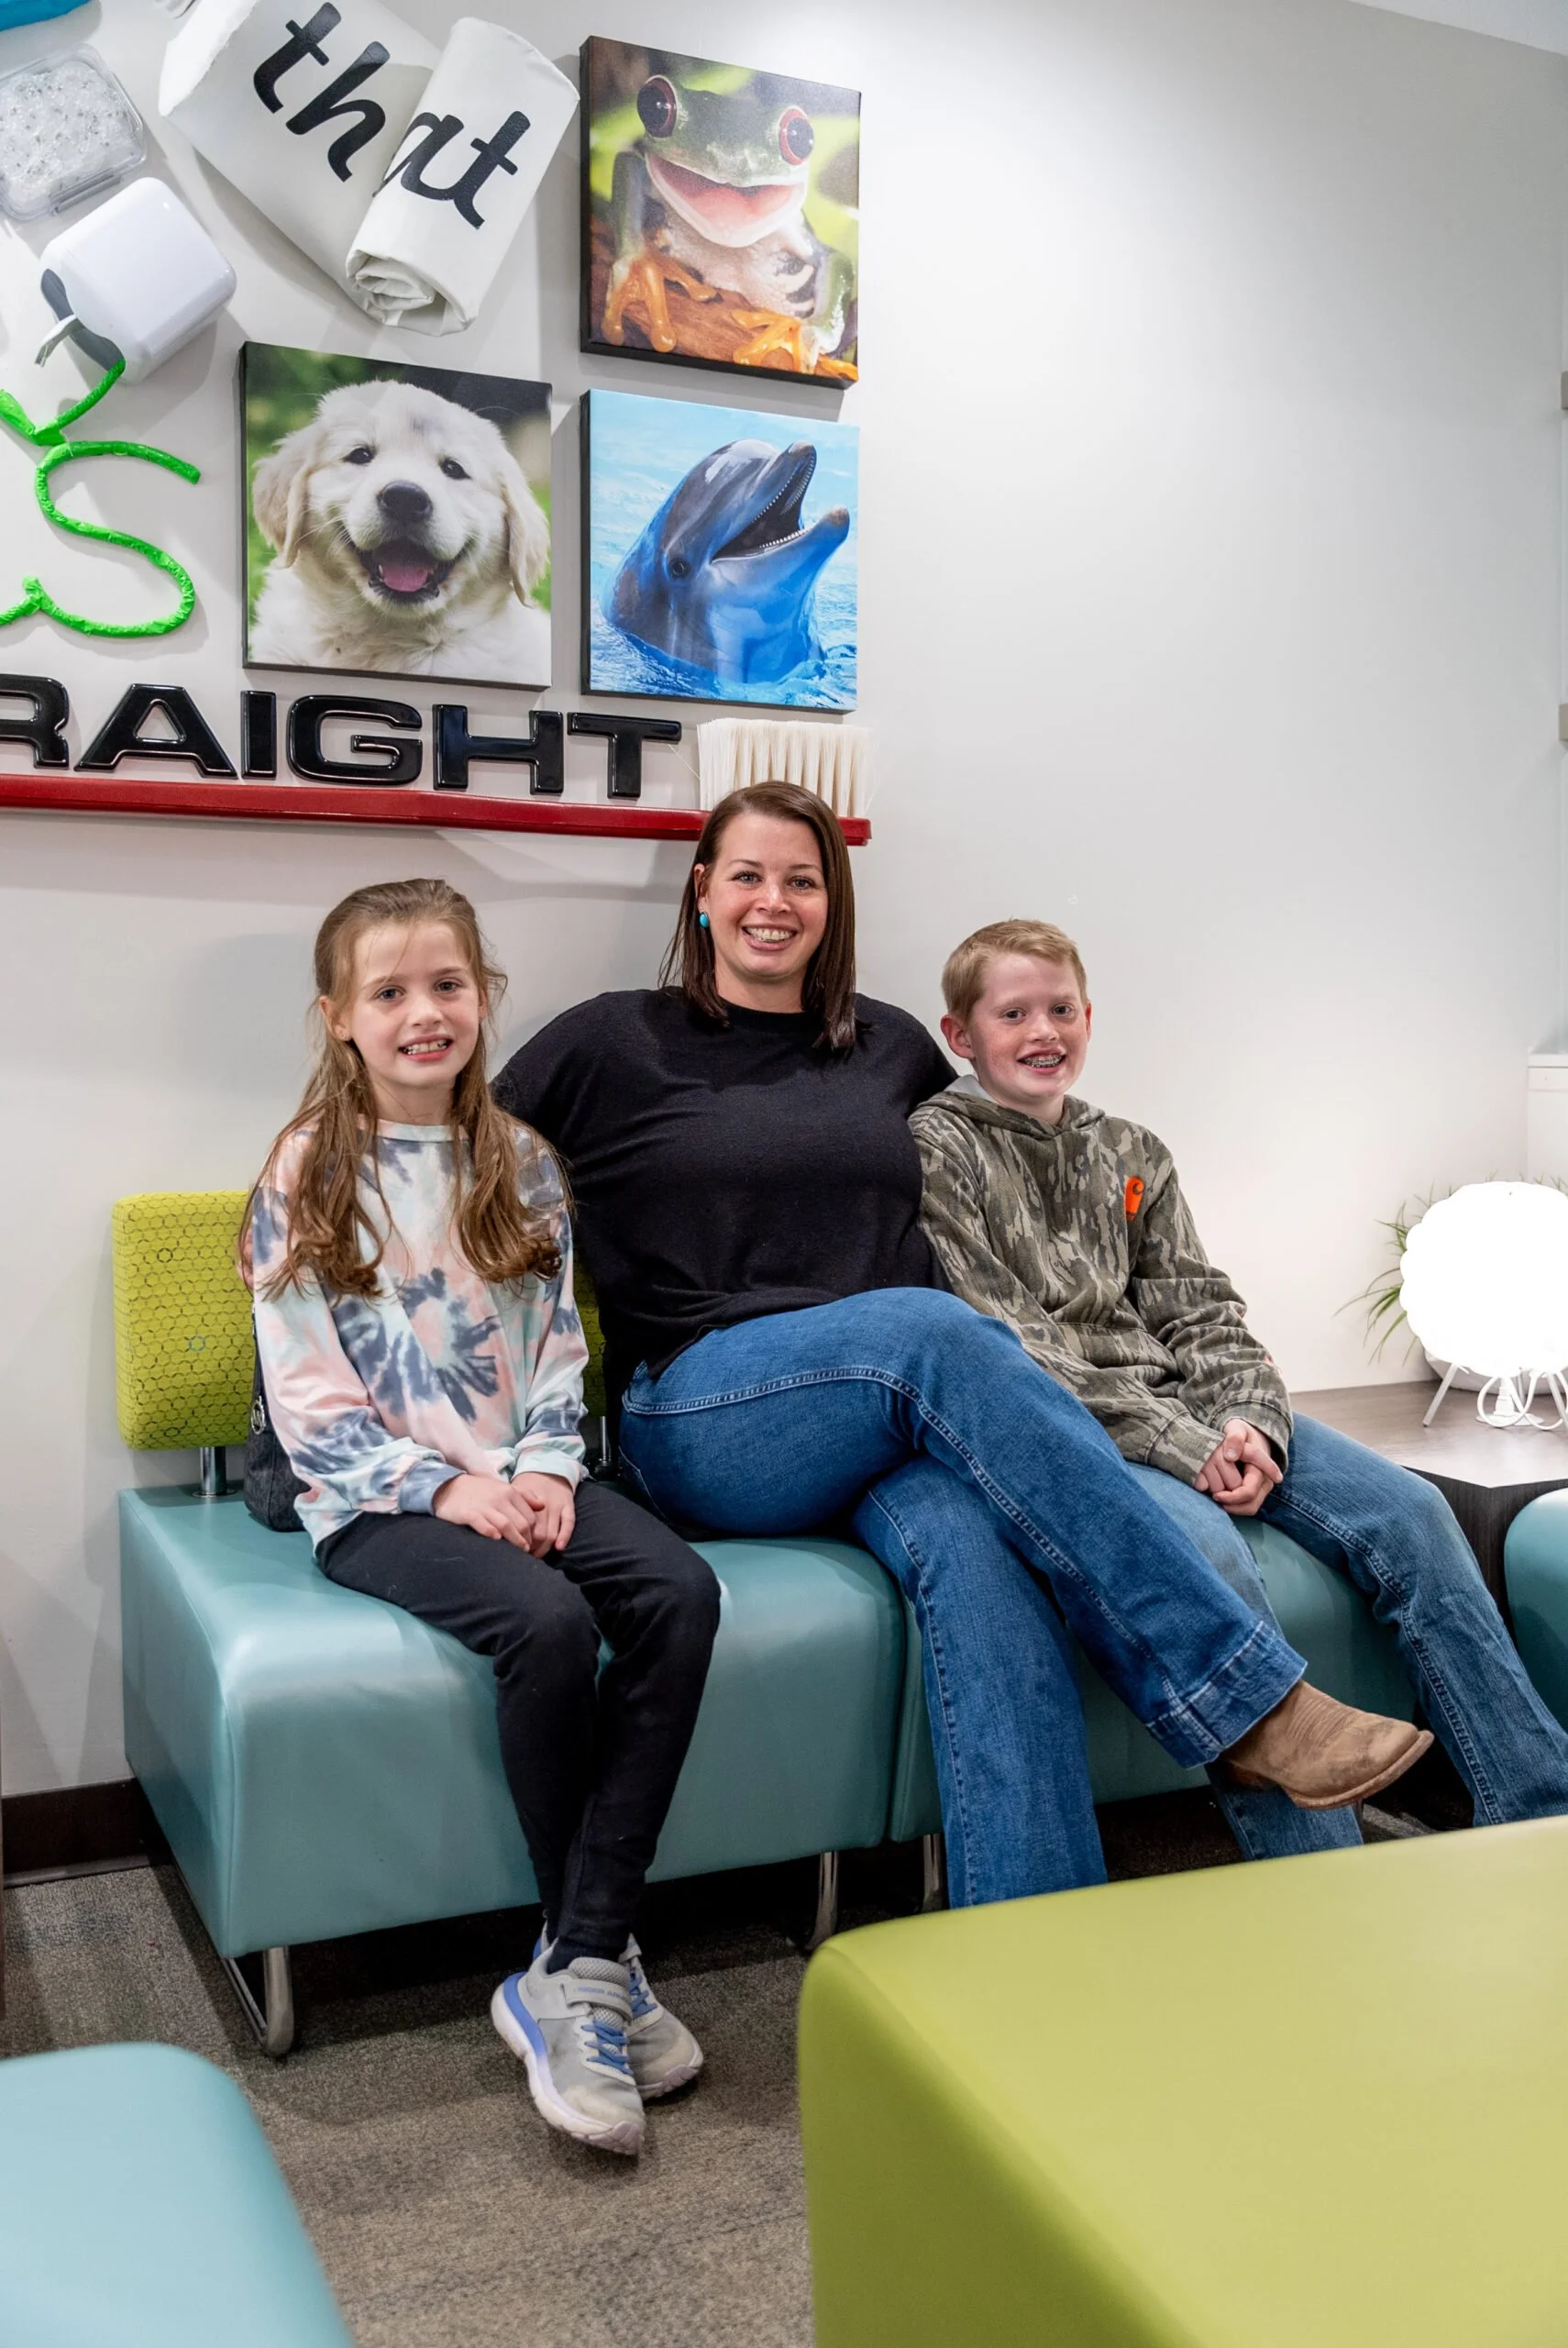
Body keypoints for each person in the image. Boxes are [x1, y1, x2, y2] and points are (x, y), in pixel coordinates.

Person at [495, 781, 1430, 1912]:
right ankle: (1247, 1700)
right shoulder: (611, 1040)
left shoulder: (888, 1045)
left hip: (898, 1425)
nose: (772, 902)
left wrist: (1130, 1337)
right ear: (702, 892)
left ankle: (1043, 1931)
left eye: (802, 879)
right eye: (746, 875)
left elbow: (1017, 1180)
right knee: (935, 1329)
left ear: (831, 902)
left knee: (981, 1559)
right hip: (705, 1406)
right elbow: (449, 1158)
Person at [912, 917, 1568, 1858]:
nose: (1042, 1030)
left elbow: (1200, 1308)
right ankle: (1316, 1867)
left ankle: (1539, 1812)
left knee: (1413, 1511)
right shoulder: (941, 1147)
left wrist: (1249, 1422)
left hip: (1200, 1410)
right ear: (960, 1034)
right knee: (1217, 1557)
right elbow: (1010, 1346)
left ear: (1090, 1016)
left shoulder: (1134, 1149)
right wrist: (1185, 1449)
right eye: (1013, 1012)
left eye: (1060, 1008)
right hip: (1083, 1434)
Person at [248, 878, 721, 2159]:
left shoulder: (525, 1163)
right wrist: (449, 1487)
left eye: (446, 985)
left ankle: (569, 1961)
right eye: (390, 992)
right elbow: (307, 1400)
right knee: (548, 1628)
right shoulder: (304, 1173)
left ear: (482, 998)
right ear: (337, 1017)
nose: (423, 1012)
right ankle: (599, 1967)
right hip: (375, 1501)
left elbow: (561, 1346)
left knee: (678, 1594)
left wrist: (551, 1472)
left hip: (525, 1474)